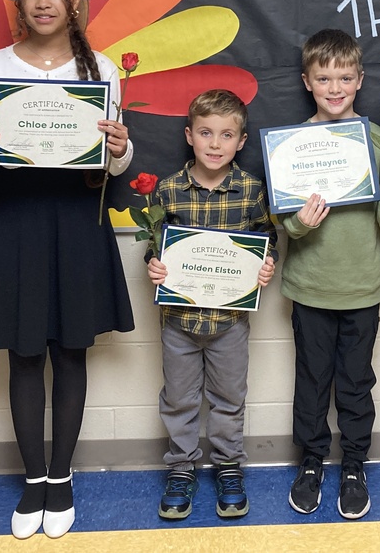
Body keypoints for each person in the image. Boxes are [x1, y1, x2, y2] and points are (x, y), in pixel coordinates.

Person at [0, 0, 136, 540]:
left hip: (76, 222)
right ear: (18, 0)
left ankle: (61, 477)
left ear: (74, 0)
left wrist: (120, 148)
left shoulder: (104, 70)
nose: (41, 2)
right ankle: (32, 478)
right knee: (24, 352)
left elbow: (111, 166)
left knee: (70, 350)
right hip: (17, 222)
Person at [281, 29, 380, 520]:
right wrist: (298, 223)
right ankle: (312, 461)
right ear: (307, 82)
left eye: (344, 78)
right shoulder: (293, 145)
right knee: (312, 380)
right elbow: (282, 221)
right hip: (311, 287)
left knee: (356, 382)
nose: (334, 88)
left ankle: (354, 462)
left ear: (359, 81)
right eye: (323, 78)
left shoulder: (376, 138)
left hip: (362, 286)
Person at [146, 89, 279, 521]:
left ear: (241, 142)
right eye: (206, 133)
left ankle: (227, 466)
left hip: (230, 322)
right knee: (180, 398)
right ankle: (181, 468)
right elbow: (154, 244)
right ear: (190, 135)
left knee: (228, 398)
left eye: (226, 135)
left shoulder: (251, 190)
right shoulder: (167, 191)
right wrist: (154, 265)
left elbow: (266, 236)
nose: (215, 144)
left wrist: (266, 263)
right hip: (179, 320)